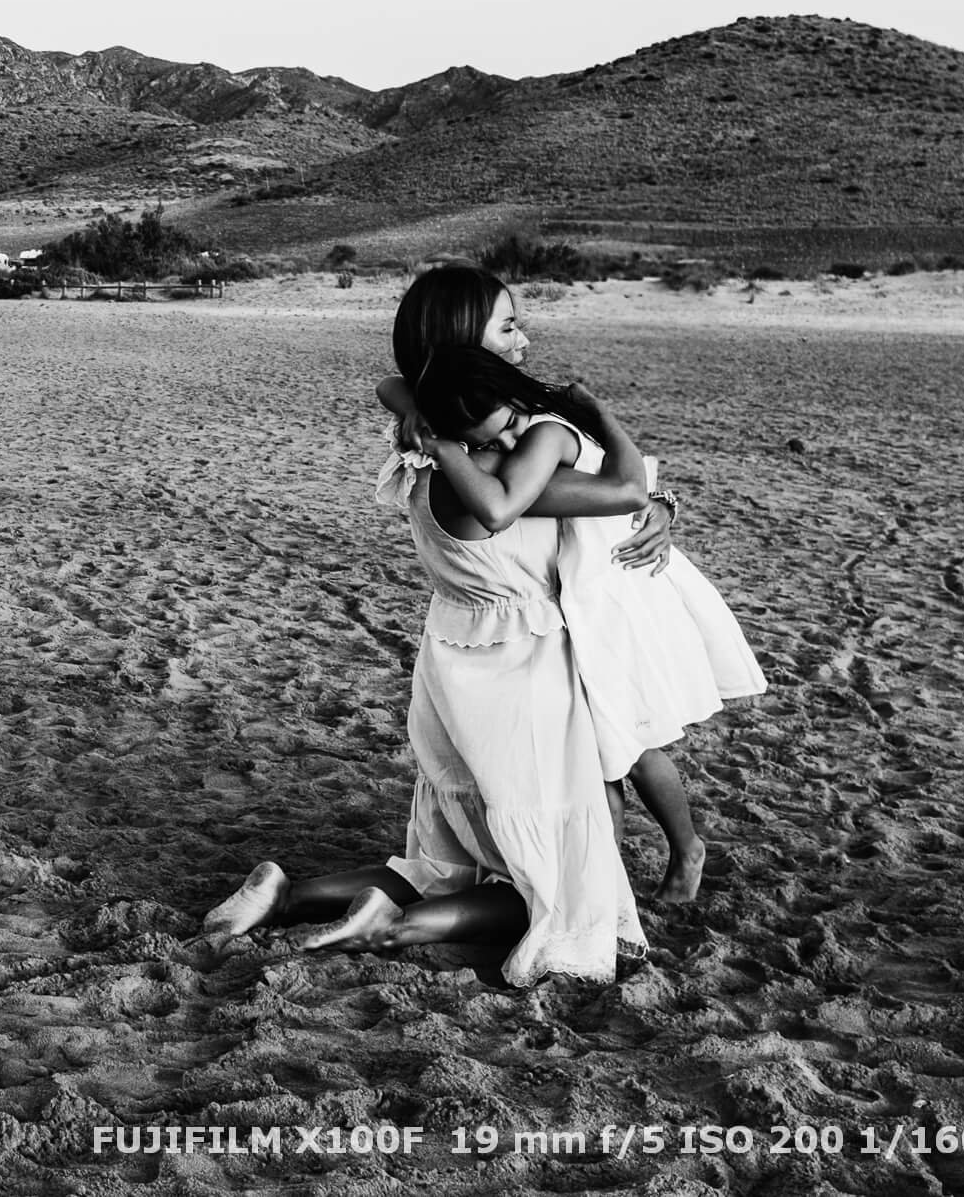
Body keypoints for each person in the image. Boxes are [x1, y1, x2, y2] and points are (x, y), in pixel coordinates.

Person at [206, 375, 656, 982]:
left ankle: (288, 893)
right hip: (524, 668)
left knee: (452, 860)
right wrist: (605, 424)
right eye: (504, 422)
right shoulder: (498, 482)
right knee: (558, 883)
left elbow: (391, 382)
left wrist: (431, 426)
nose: (518, 430)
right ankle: (393, 928)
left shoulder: (421, 463)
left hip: (452, 660)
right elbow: (624, 491)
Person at [377, 264, 764, 901]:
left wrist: (659, 502)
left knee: (626, 741)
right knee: (610, 745)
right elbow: (393, 385)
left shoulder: (518, 419)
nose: (524, 338)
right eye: (508, 325)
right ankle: (621, 877)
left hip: (607, 584)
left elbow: (611, 482)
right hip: (570, 594)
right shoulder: (474, 422)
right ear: (460, 337)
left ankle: (675, 853)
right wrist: (423, 415)